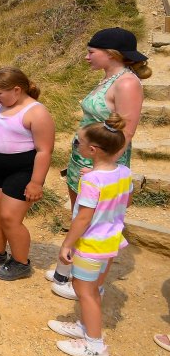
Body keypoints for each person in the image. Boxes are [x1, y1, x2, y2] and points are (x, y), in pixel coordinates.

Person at [49, 28, 150, 297]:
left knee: (96, 219)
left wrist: (100, 169)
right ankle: (72, 269)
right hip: (85, 157)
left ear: (111, 54)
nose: (86, 57)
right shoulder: (111, 77)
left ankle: (93, 283)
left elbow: (126, 133)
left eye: (91, 52)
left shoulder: (127, 83)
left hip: (101, 162)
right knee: (79, 214)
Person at [47, 114, 132, 356]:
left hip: (91, 244)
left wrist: (67, 244)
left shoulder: (92, 180)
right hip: (111, 241)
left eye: (79, 143)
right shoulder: (123, 172)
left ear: (92, 150)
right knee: (96, 288)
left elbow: (83, 218)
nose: (78, 146)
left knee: (84, 292)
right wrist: (94, 173)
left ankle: (94, 345)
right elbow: (122, 199)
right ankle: (85, 325)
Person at [0, 68, 55, 280]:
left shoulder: (36, 113)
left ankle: (20, 262)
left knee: (10, 218)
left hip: (22, 171)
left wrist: (36, 182)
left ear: (17, 90)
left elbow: (44, 151)